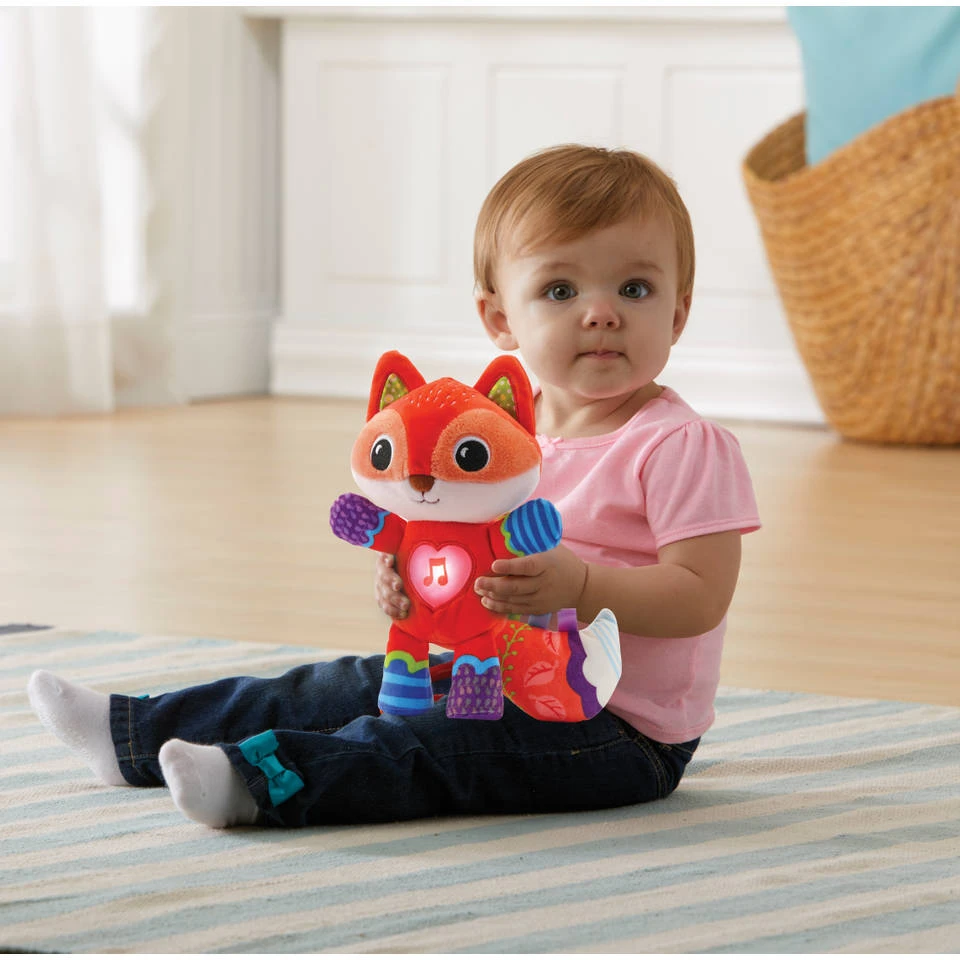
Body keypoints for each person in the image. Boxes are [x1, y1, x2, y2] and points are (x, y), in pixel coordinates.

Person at [27, 144, 760, 829]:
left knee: (423, 747)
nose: (601, 312)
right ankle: (133, 734)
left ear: (678, 312)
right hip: (484, 667)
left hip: (613, 728)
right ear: (500, 318)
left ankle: (255, 783)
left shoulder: (680, 446)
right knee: (338, 685)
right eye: (560, 289)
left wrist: (581, 585)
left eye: (635, 288)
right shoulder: (495, 441)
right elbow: (453, 544)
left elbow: (701, 596)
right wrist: (409, 577)